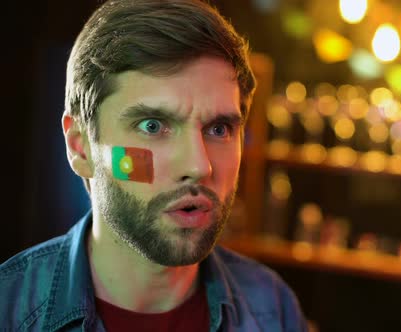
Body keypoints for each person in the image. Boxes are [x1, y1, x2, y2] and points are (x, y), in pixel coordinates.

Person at [0, 0, 308, 330]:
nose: (199, 165)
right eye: (152, 126)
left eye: (219, 129)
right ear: (80, 147)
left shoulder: (273, 307)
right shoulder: (10, 310)